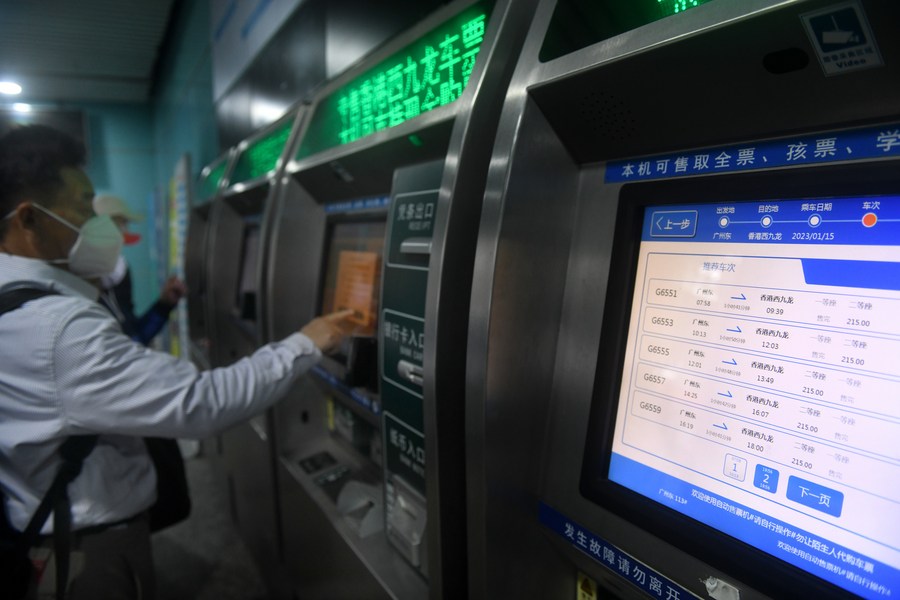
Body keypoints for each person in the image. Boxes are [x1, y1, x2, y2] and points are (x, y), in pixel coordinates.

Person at [0, 124, 354, 599]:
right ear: (29, 219)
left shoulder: (20, 301)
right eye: (83, 205)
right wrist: (306, 342)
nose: (95, 220)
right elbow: (200, 403)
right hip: (83, 545)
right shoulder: (54, 329)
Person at [92, 193, 186, 345]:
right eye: (120, 224)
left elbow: (136, 336)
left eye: (124, 225)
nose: (124, 232)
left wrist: (164, 305)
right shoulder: (78, 286)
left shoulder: (120, 272)